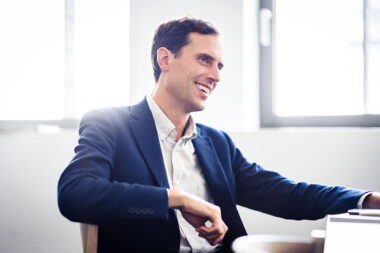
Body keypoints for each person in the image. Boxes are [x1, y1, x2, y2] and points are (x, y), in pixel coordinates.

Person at [57, 17, 380, 253]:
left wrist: (365, 200)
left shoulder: (216, 142)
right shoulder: (110, 123)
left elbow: (282, 192)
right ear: (165, 59)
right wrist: (176, 200)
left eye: (220, 66)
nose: (214, 75)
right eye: (204, 60)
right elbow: (75, 195)